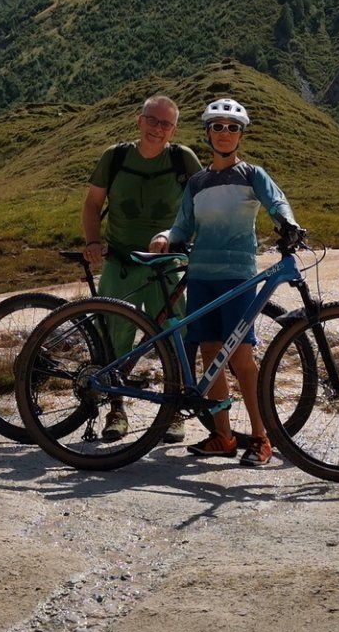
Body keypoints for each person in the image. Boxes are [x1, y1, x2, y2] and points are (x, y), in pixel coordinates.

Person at [148, 97, 300, 469]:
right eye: (217, 127)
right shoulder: (197, 182)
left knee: (242, 358)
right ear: (208, 133)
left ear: (240, 135)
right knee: (210, 355)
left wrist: (288, 223)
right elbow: (183, 225)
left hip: (238, 276)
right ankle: (223, 436)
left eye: (232, 128)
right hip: (201, 276)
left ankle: (261, 437)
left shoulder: (252, 174)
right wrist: (166, 236)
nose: (225, 133)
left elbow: (276, 202)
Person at [83, 95, 202, 441]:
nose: (157, 129)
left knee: (176, 335)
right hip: (121, 262)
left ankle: (174, 411)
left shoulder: (182, 159)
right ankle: (116, 410)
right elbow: (92, 204)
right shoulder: (116, 157)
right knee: (113, 337)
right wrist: (93, 241)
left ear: (174, 130)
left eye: (166, 124)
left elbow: (204, 202)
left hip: (168, 263)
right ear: (139, 121)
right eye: (152, 120)